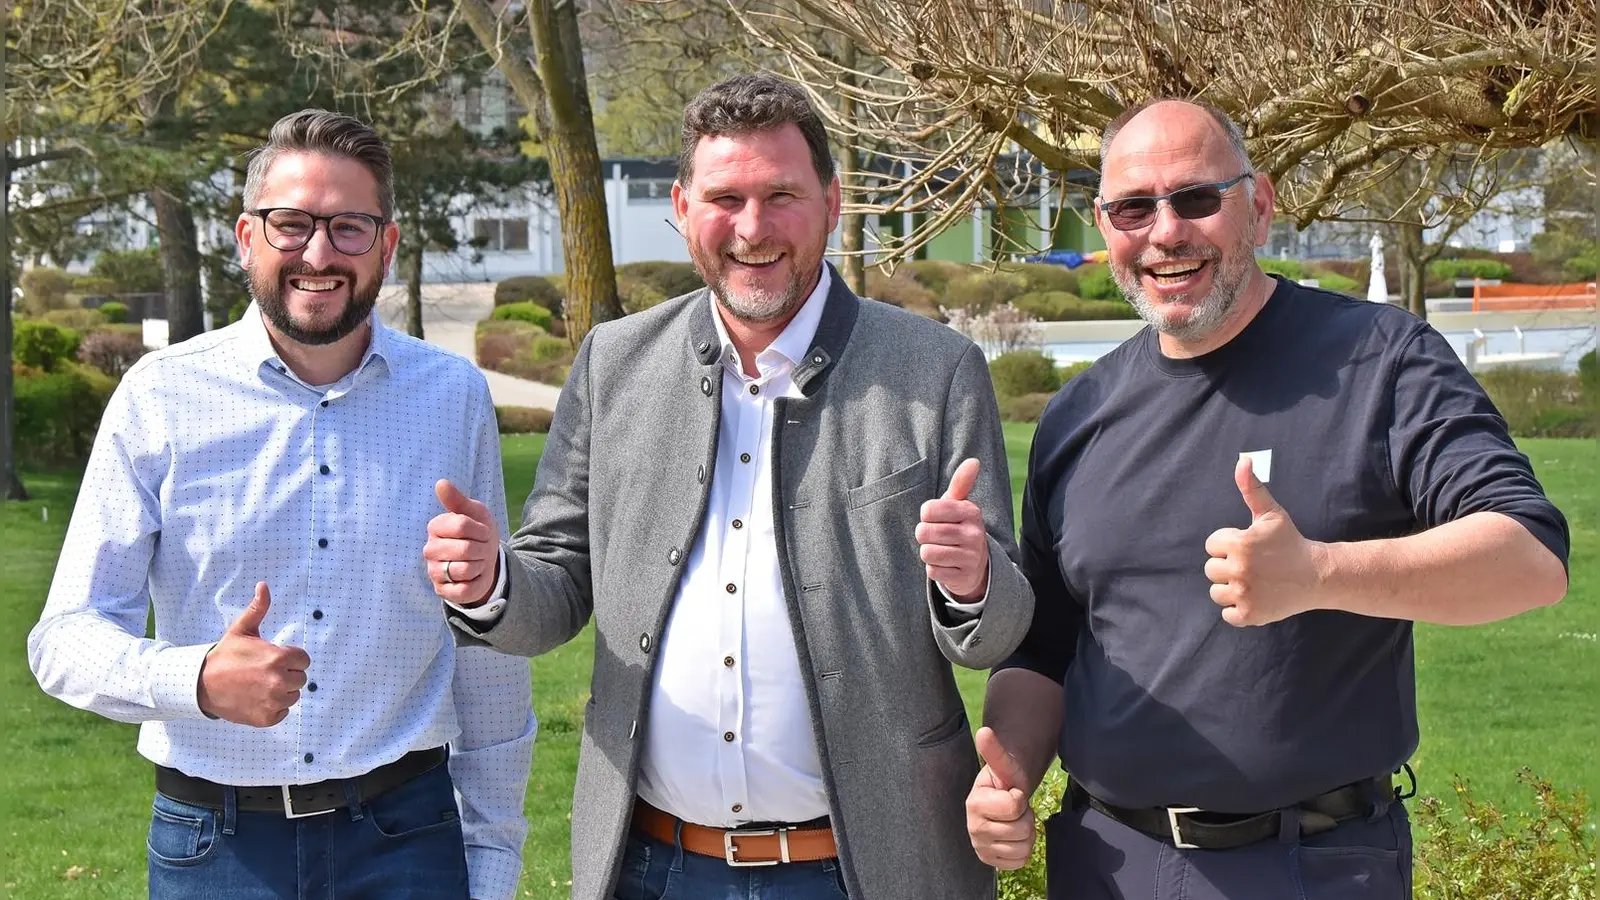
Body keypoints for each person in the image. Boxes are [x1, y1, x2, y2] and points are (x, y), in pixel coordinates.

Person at [423, 74, 1034, 900]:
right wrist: (492, 581)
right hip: (653, 870)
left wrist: (972, 583)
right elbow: (557, 584)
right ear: (682, 208)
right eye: (725, 198)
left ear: (831, 202)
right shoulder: (613, 364)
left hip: (870, 869)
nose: (752, 228)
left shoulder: (936, 370)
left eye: (781, 195)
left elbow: (994, 636)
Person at [965, 98, 1570, 899]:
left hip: (1308, 865)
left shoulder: (1380, 361)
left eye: (1196, 199)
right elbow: (1044, 647)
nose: (1166, 232)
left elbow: (1530, 560)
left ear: (1259, 205)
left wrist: (1319, 575)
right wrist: (1007, 773)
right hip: (1106, 863)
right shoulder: (1079, 414)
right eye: (1133, 208)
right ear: (1106, 225)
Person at [28, 109, 535, 900]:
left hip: (408, 838)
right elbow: (64, 637)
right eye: (291, 224)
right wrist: (195, 678)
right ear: (246, 237)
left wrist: (494, 855)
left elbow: (483, 638)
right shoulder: (159, 398)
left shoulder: (452, 397)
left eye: (349, 227)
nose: (319, 254)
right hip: (217, 849)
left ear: (388, 245)